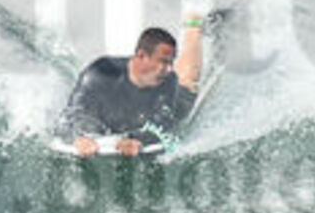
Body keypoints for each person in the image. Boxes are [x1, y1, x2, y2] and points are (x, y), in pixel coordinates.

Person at [57, 17, 205, 157]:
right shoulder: (101, 73)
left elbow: (163, 126)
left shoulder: (169, 81)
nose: (170, 69)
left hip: (174, 106)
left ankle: (194, 25)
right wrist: (80, 137)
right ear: (141, 55)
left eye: (171, 62)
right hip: (122, 119)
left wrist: (134, 139)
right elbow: (71, 115)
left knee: (188, 81)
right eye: (163, 62)